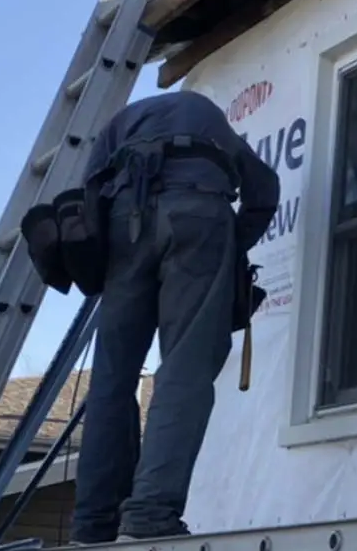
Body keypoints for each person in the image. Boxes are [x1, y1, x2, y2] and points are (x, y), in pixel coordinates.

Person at [69, 90, 280, 544]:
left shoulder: (118, 126)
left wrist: (105, 260)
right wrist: (230, 247)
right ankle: (148, 515)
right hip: (199, 212)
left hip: (125, 222)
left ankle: (94, 522)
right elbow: (264, 192)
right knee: (184, 367)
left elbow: (88, 197)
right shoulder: (211, 121)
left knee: (112, 379)